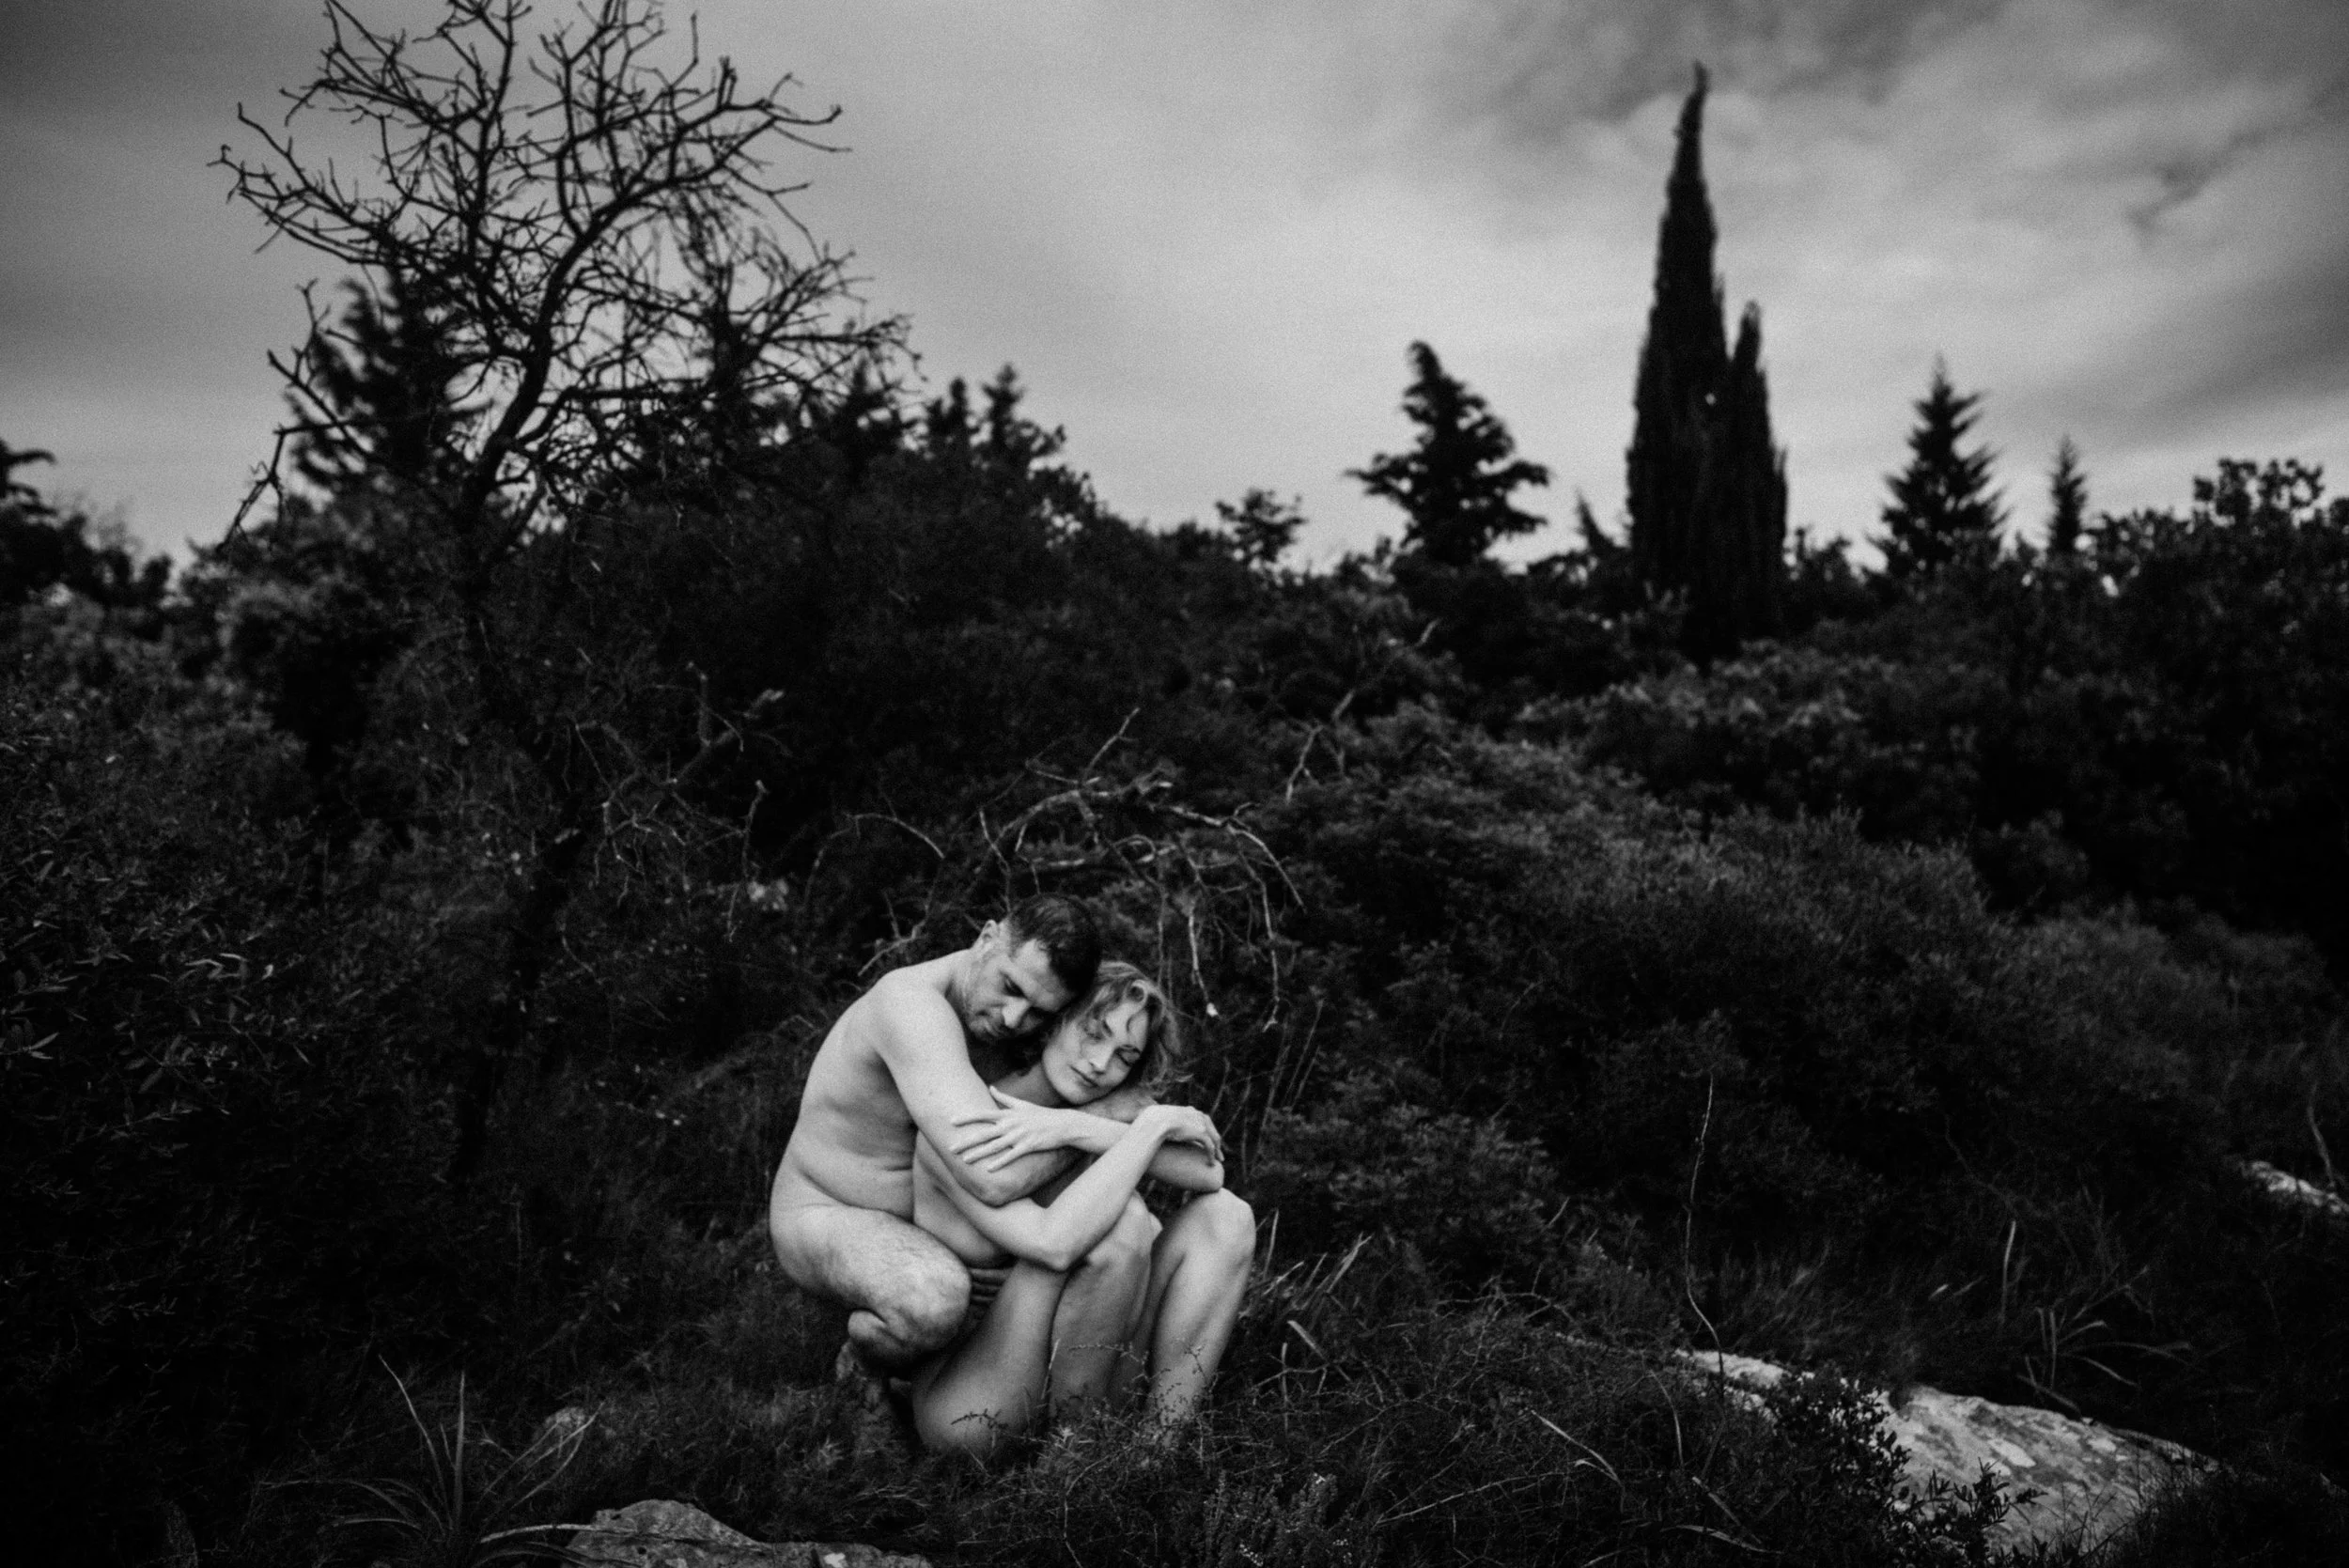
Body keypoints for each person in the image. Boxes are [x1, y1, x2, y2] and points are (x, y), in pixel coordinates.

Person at [770, 893, 1165, 1376]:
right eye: (1010, 987)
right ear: (987, 938)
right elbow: (991, 1177)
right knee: (933, 1298)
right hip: (827, 1209)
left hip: (939, 1222)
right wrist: (1099, 1119)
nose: (1014, 1019)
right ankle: (863, 1371)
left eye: (1040, 1012)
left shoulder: (1009, 1027)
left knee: (1125, 1234)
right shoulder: (912, 1008)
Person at [906, 962, 1256, 1458]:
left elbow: (1209, 1174)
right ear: (1054, 1021)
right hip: (972, 1400)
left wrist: (1076, 1127)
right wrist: (1147, 1128)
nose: (1099, 1063)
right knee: (1122, 1221)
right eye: (1093, 1033)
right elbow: (1053, 1245)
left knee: (1227, 1218)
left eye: (1124, 1056)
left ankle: (1156, 1453)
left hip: (1081, 1366)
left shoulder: (1097, 1110)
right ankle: (1073, 1461)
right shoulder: (968, 1116)